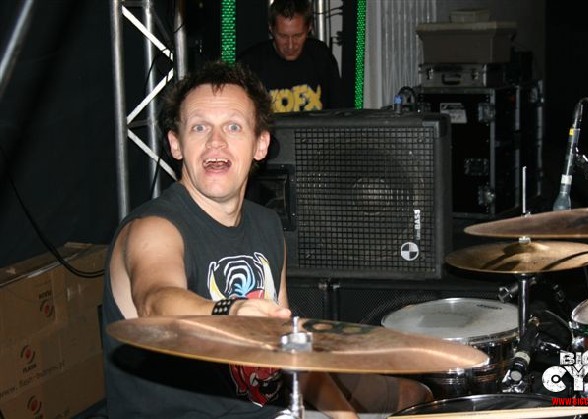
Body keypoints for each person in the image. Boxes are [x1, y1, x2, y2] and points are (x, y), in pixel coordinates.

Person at [101, 60, 431, 418]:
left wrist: (344, 416)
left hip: (271, 410)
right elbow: (155, 302)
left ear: (261, 145)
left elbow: (289, 353)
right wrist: (231, 310)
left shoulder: (266, 225)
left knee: (415, 396)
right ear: (175, 144)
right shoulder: (153, 228)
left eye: (233, 126)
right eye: (199, 127)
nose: (215, 142)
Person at [237, 0, 345, 113]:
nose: (290, 45)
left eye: (297, 36)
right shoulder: (250, 65)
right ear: (271, 28)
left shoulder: (321, 56)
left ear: (309, 28)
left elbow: (338, 112)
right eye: (282, 36)